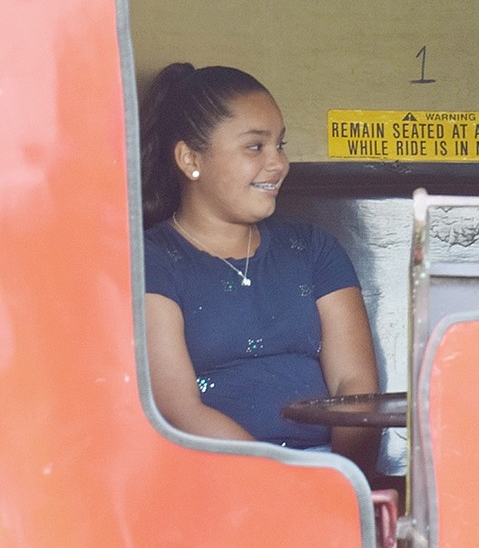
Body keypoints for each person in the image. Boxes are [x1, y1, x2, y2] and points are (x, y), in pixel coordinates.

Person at [140, 62, 380, 473]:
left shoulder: (312, 250)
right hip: (214, 480)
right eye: (255, 147)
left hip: (328, 475)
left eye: (280, 146)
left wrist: (340, 488)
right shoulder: (152, 261)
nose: (278, 164)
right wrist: (282, 488)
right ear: (190, 158)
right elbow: (179, 410)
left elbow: (353, 389)